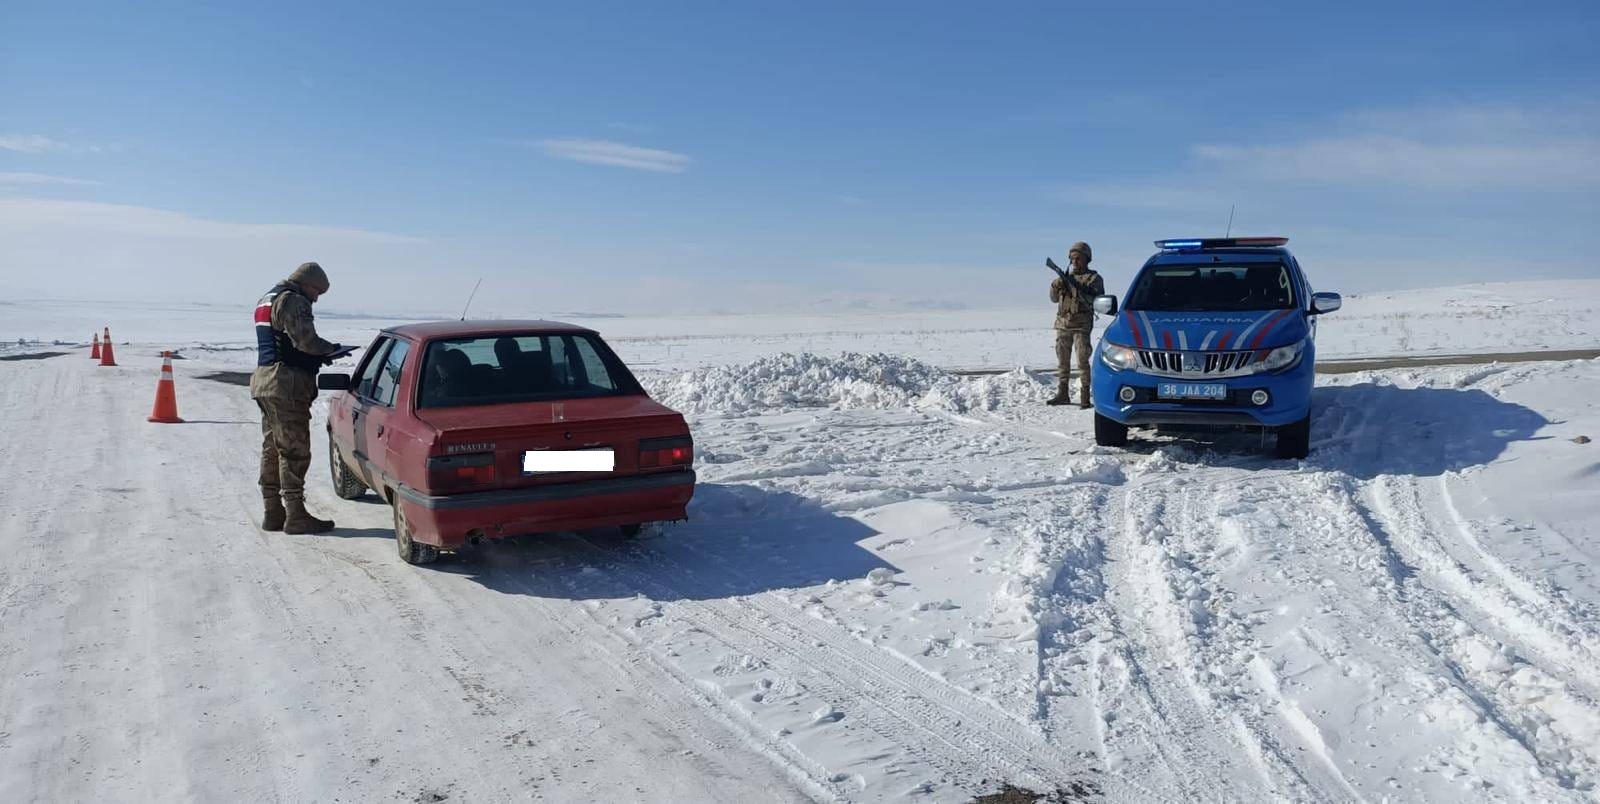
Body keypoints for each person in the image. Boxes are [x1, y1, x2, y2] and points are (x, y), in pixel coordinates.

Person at [250, 262, 343, 533]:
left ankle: (273, 511)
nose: (316, 298)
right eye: (317, 291)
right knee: (294, 450)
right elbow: (305, 341)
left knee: (272, 448)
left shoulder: (268, 297)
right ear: (306, 283)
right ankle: (296, 515)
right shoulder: (293, 301)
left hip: (265, 381)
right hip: (286, 385)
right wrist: (330, 350)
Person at [1048, 241, 1105, 407]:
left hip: (1081, 325)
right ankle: (1062, 393)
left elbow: (1097, 301)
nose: (1075, 262)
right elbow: (1053, 299)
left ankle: (1085, 396)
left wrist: (1079, 291)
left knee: (1082, 361)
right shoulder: (1065, 279)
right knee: (1062, 362)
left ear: (1086, 259)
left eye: (1078, 258)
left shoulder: (1094, 279)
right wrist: (1055, 285)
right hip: (1063, 323)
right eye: (1072, 258)